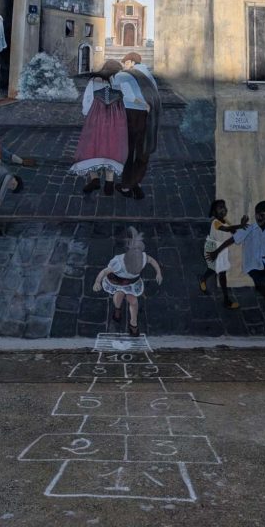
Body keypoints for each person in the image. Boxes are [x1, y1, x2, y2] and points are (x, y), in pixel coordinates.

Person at [209, 199, 265, 333]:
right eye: (257, 214)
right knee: (264, 289)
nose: (259, 217)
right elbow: (231, 240)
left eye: (262, 215)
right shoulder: (249, 229)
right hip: (253, 266)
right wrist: (216, 252)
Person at [71, 60, 128, 196]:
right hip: (117, 118)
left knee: (91, 146)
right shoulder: (122, 81)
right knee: (112, 147)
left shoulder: (94, 81)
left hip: (96, 116)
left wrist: (87, 114)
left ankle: (95, 179)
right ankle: (109, 182)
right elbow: (127, 99)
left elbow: (87, 100)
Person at [93, 227, 162, 337]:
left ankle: (133, 322)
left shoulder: (143, 257)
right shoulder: (118, 262)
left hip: (132, 283)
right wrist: (97, 282)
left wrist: (158, 272)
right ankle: (117, 309)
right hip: (117, 282)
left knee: (133, 301)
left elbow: (152, 261)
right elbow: (104, 271)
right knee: (118, 295)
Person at [115, 52, 162, 200]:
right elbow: (155, 95)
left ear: (131, 62)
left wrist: (142, 104)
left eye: (125, 63)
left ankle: (125, 186)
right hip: (147, 116)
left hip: (132, 115)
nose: (123, 66)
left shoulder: (127, 75)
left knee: (128, 151)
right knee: (143, 150)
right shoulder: (148, 74)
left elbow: (129, 96)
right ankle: (136, 182)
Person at [199, 199, 246, 309]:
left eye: (224, 207)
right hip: (213, 249)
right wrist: (240, 225)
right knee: (218, 271)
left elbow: (233, 231)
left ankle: (203, 279)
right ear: (214, 212)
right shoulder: (215, 223)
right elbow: (226, 229)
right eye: (220, 208)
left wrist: (240, 229)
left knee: (216, 270)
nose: (223, 209)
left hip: (221, 249)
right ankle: (226, 300)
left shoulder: (226, 220)